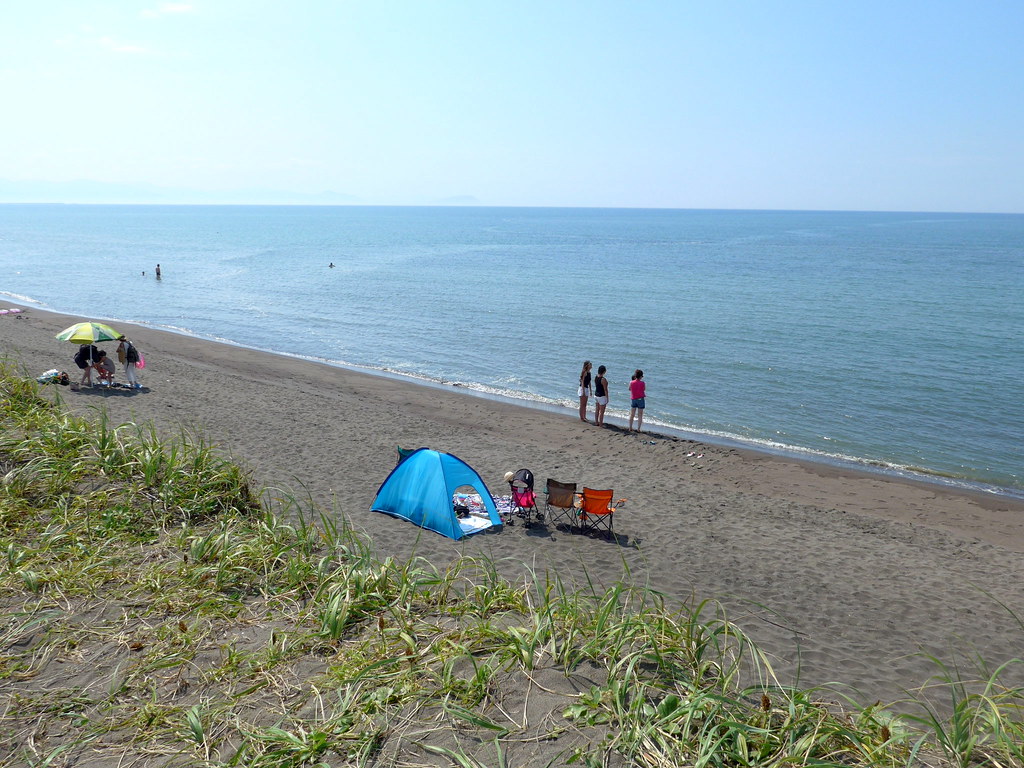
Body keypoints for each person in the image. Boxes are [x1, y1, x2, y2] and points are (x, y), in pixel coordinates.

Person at [628, 369, 646, 433]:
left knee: (632, 414)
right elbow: (644, 389)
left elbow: (629, 389)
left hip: (633, 399)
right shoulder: (642, 383)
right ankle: (638, 428)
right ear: (641, 376)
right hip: (640, 399)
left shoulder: (631, 382)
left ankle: (630, 427)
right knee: (640, 415)